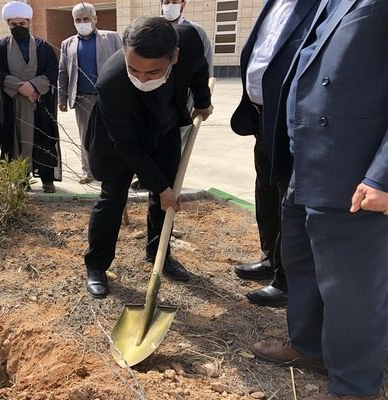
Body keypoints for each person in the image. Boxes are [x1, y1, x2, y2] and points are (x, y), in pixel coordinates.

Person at [252, 1, 388, 399]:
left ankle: (355, 386)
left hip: (354, 170)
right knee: (300, 262)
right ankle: (309, 347)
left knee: (351, 290)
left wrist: (383, 174)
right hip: (307, 159)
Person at [83, 17, 212, 298]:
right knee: (113, 197)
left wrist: (202, 101)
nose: (141, 79)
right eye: (133, 69)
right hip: (118, 138)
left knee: (163, 197)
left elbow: (199, 70)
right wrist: (162, 188)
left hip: (163, 126)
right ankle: (96, 265)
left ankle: (159, 254)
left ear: (174, 57)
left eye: (153, 72)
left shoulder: (187, 42)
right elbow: (127, 146)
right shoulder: (112, 82)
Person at [230, 0, 321, 308]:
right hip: (262, 118)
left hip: (290, 119)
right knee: (266, 191)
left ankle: (286, 279)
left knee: (288, 200)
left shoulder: (321, 4)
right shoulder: (274, 3)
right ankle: (271, 258)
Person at [130, 0, 213, 191]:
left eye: (174, 1)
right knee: (149, 138)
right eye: (165, 1)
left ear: (183, 3)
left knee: (174, 143)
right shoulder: (151, 28)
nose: (169, 5)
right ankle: (147, 178)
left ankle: (167, 180)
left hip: (183, 100)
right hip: (154, 95)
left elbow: (203, 68)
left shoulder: (195, 33)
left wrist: (203, 100)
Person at [0, 1, 62, 193]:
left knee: (44, 138)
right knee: (14, 140)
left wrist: (34, 86)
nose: (18, 28)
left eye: (21, 24)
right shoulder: (0, 46)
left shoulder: (43, 46)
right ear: (8, 24)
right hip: (11, 103)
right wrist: (21, 87)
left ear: (28, 22)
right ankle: (20, 178)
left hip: (40, 102)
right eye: (14, 25)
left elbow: (53, 70)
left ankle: (47, 179)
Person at [58, 2, 122, 185]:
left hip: (109, 97)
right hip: (82, 99)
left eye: (86, 18)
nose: (82, 22)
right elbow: (62, 72)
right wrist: (62, 97)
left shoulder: (111, 38)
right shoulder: (67, 44)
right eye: (78, 20)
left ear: (95, 19)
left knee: (113, 134)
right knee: (86, 137)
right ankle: (88, 171)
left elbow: (122, 65)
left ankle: (113, 169)